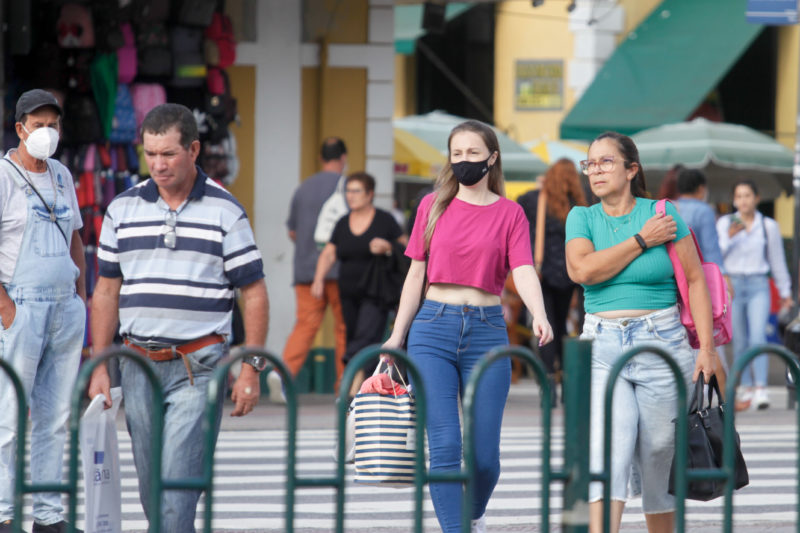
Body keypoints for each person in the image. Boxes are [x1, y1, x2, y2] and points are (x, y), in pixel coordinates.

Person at [87, 103, 269, 532]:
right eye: (150, 154)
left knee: (177, 488)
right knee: (152, 486)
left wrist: (251, 367)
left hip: (200, 365)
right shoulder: (121, 209)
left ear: (194, 150)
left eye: (168, 154)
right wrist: (99, 364)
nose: (158, 164)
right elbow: (106, 291)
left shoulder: (226, 211)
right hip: (137, 363)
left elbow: (254, 292)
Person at [381, 120, 554, 533]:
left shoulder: (510, 213)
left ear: (492, 158)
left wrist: (539, 312)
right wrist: (397, 335)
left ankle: (471, 514)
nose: (463, 161)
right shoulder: (432, 206)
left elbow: (523, 268)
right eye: (456, 153)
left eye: (473, 153)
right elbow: (415, 275)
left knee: (484, 460)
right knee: (444, 447)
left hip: (487, 331)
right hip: (432, 329)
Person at [565, 131, 720, 533]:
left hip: (662, 342)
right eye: (590, 164)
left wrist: (707, 349)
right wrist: (641, 240)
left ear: (632, 169)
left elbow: (696, 281)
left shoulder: (663, 214)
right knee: (610, 450)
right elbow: (583, 270)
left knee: (659, 455)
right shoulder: (582, 217)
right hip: (602, 345)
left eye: (606, 162)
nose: (595, 170)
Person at [0, 89, 86, 533]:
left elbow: (76, 238)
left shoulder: (63, 175)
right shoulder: (3, 176)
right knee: (9, 418)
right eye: (38, 125)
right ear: (20, 129)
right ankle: (4, 512)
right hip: (22, 307)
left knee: (55, 420)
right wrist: (6, 308)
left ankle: (49, 517)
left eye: (53, 125)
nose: (47, 133)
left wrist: (81, 297)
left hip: (65, 308)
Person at [311, 172, 405, 392]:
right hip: (348, 292)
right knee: (354, 335)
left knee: (366, 334)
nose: (350, 195)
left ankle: (355, 381)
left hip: (376, 291)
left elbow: (406, 247)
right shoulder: (343, 223)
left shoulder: (384, 220)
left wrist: (388, 247)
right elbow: (329, 253)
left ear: (370, 194)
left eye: (356, 191)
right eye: (348, 191)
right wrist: (318, 279)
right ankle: (363, 385)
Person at [272, 137, 349, 401]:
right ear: (343, 158)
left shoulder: (303, 188)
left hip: (305, 268)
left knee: (305, 325)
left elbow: (293, 232)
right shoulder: (348, 187)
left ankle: (282, 374)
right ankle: (344, 387)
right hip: (341, 269)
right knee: (344, 328)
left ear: (320, 158)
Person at [716, 179, 793, 410]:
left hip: (759, 283)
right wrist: (729, 236)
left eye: (747, 196)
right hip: (733, 284)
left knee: (758, 336)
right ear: (734, 200)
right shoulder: (725, 223)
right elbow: (716, 256)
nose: (743, 201)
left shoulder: (768, 225)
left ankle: (761, 387)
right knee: (739, 339)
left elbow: (777, 259)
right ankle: (746, 385)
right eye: (739, 196)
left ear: (756, 198)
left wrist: (785, 291)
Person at [517, 158, 587, 397]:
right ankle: (566, 381)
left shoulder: (535, 200)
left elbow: (520, 216)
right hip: (570, 274)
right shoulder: (578, 204)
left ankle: (547, 382)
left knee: (546, 325)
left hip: (542, 273)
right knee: (563, 325)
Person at [675, 168, 725, 270]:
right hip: (697, 270)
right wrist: (721, 272)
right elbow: (710, 248)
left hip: (674, 270)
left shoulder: (670, 206)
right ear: (701, 188)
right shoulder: (704, 210)